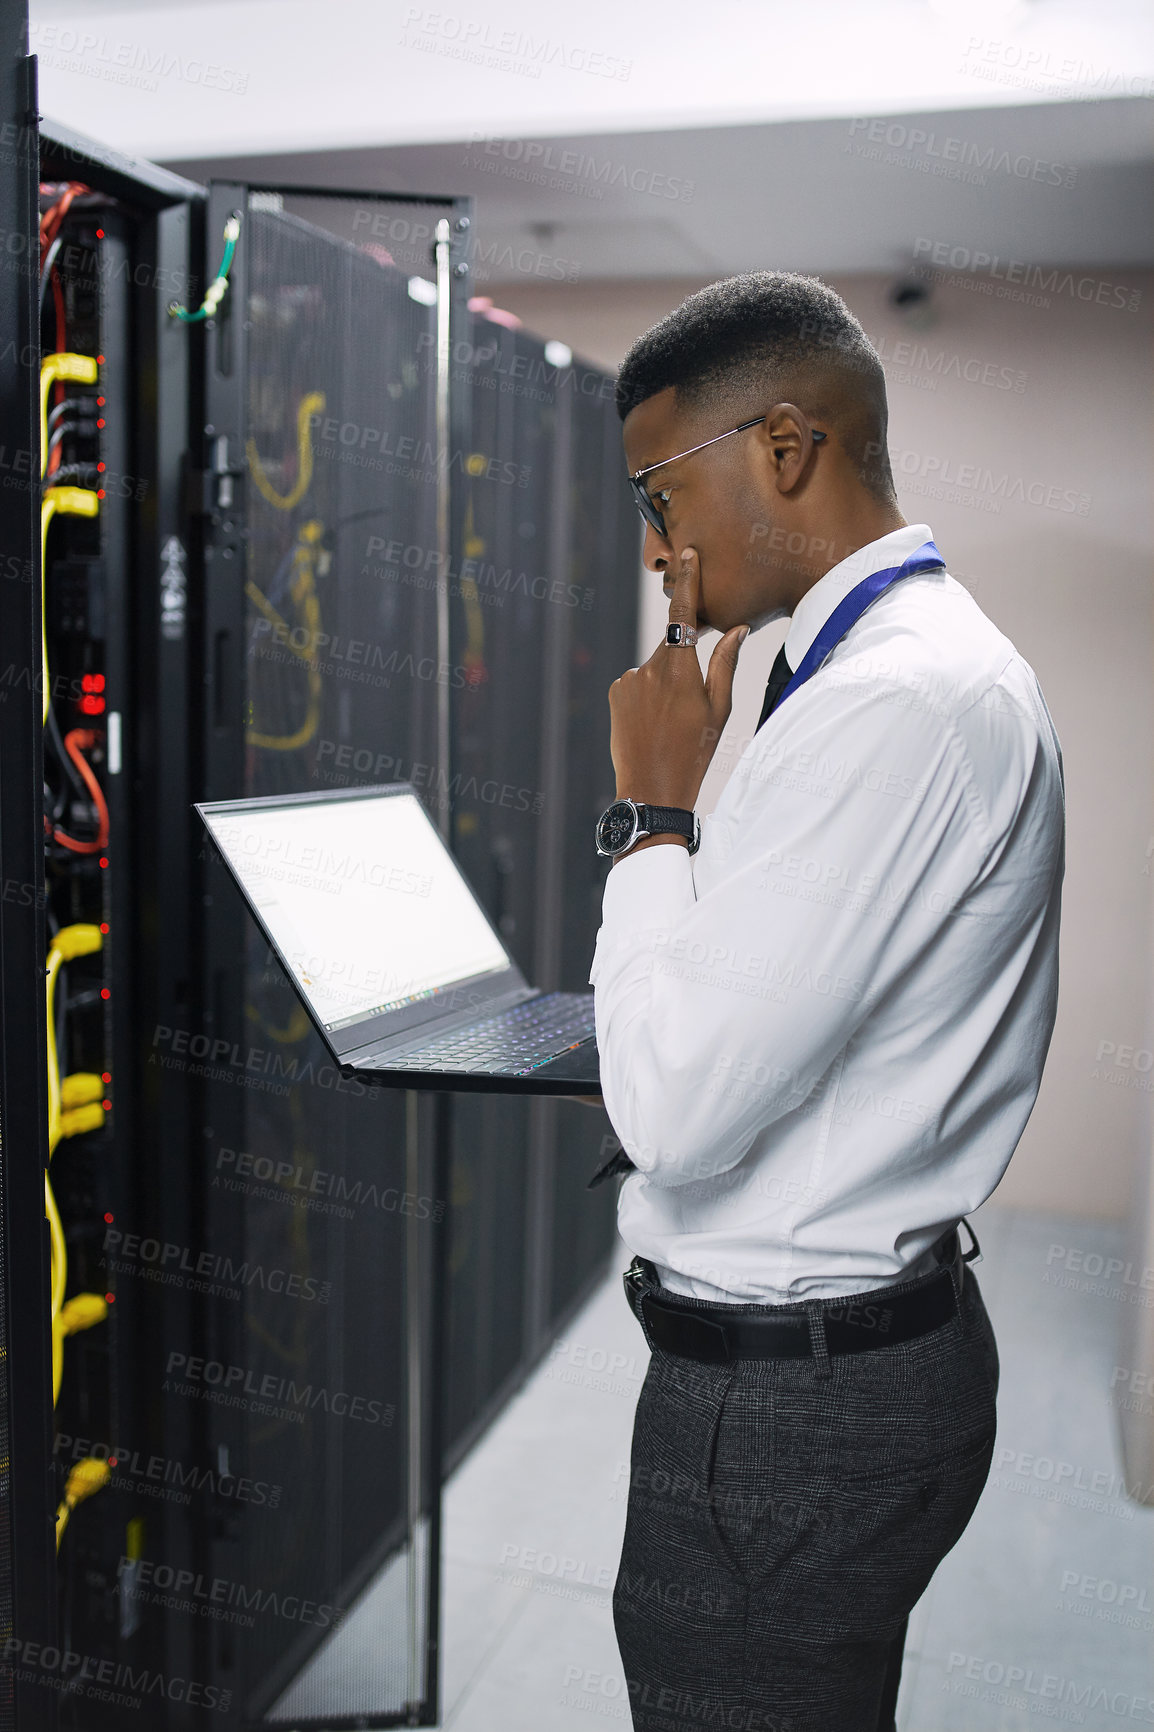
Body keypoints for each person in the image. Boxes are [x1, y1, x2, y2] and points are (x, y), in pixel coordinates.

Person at [586, 272, 1065, 1732]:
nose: (658, 545)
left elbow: (674, 1112)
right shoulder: (850, 671)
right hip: (821, 1375)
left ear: (784, 446)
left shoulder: (898, 701)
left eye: (660, 494)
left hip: (791, 1409)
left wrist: (651, 814)